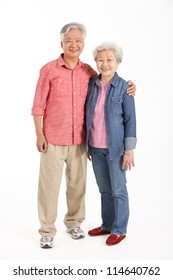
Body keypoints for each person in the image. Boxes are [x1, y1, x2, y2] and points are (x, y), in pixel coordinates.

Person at [31, 22, 136, 249]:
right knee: (49, 187)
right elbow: (38, 105)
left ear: (83, 44)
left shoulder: (88, 72)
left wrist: (129, 85)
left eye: (78, 41)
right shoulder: (48, 70)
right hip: (53, 140)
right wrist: (39, 134)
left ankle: (74, 223)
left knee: (78, 186)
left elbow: (111, 85)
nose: (73, 44)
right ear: (61, 43)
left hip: (81, 142)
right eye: (69, 40)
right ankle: (47, 230)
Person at [86, 41, 137, 245]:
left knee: (118, 189)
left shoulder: (125, 88)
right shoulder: (91, 84)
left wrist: (129, 150)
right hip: (95, 148)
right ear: (96, 62)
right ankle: (107, 224)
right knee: (104, 189)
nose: (105, 64)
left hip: (116, 150)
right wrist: (88, 145)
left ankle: (120, 228)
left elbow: (130, 120)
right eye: (100, 59)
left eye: (109, 60)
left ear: (118, 62)